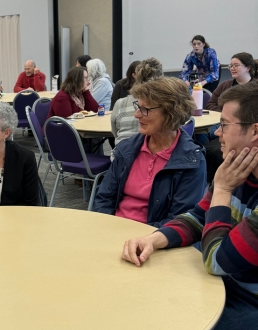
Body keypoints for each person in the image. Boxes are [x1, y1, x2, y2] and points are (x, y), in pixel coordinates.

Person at [121, 82, 258, 329]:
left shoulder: (228, 179)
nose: (217, 132)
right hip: (223, 283)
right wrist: (153, 239)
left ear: (255, 131)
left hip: (248, 301)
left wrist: (223, 191)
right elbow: (198, 217)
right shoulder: (238, 170)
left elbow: (218, 261)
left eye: (225, 125)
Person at [94, 77, 206, 227]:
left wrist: (141, 240)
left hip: (155, 240)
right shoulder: (127, 149)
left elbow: (180, 221)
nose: (136, 115)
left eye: (145, 109)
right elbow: (104, 198)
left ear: (171, 112)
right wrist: (105, 227)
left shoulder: (191, 160)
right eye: (138, 106)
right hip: (114, 231)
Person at [203, 53, 257, 183]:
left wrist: (230, 117)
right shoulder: (225, 85)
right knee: (206, 144)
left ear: (248, 67)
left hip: (239, 128)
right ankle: (211, 181)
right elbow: (210, 104)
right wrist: (227, 115)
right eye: (230, 66)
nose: (232, 68)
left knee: (214, 148)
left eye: (236, 65)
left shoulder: (255, 89)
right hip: (222, 124)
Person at [111, 58, 163, 146]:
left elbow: (115, 132)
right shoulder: (164, 104)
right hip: (149, 152)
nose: (137, 114)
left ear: (136, 77)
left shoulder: (120, 103)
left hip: (121, 152)